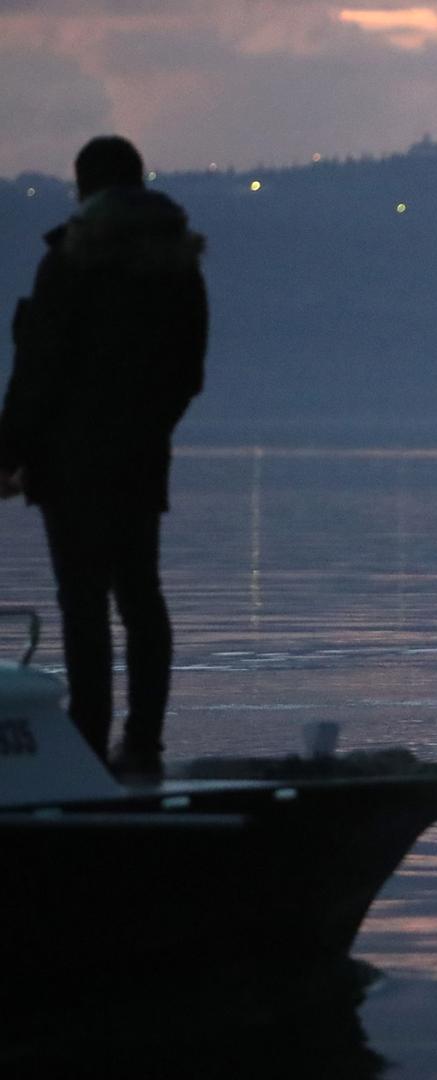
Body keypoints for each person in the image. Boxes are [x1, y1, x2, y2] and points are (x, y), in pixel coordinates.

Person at [0, 135, 207, 776]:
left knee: (83, 605)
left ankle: (88, 745)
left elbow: (40, 369)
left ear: (84, 186)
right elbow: (187, 372)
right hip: (141, 457)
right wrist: (149, 428)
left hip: (70, 461)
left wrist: (9, 451)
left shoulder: (70, 259)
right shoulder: (177, 263)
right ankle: (144, 743)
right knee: (141, 597)